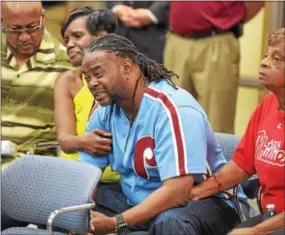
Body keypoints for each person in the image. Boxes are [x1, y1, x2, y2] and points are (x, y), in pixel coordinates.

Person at [79, 33, 248, 235]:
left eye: (98, 74)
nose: (91, 83)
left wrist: (117, 222)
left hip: (203, 203)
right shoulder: (105, 111)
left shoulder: (173, 109)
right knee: (74, 207)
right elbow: (86, 177)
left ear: (126, 67)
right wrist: (81, 213)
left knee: (170, 224)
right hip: (136, 200)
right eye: (87, 77)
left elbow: (178, 192)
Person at [190, 28, 285, 235]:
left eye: (276, 59)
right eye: (266, 55)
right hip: (271, 217)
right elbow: (242, 165)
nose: (264, 62)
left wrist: (255, 231)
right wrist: (195, 193)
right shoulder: (268, 104)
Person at [163, 2, 264, 134]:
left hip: (216, 41)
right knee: (172, 123)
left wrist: (229, 20)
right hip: (176, 41)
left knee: (216, 125)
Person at [1, 1, 71, 168]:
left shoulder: (65, 64)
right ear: (2, 22)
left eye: (32, 28)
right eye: (15, 30)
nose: (24, 37)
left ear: (43, 18)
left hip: (31, 167)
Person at [54, 7, 119, 182]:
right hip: (73, 180)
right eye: (66, 39)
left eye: (77, 36)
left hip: (120, 184)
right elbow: (65, 140)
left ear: (101, 37)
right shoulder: (67, 81)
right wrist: (85, 142)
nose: (69, 44)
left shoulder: (126, 78)